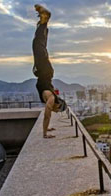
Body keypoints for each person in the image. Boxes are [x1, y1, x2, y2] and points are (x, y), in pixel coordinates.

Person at [32, 4, 66, 139]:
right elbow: (47, 114)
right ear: (57, 105)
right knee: (37, 45)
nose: (54, 110)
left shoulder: (51, 96)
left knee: (40, 45)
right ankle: (44, 20)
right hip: (45, 70)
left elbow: (48, 115)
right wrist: (45, 133)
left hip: (44, 71)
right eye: (57, 109)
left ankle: (43, 22)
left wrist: (48, 127)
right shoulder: (51, 99)